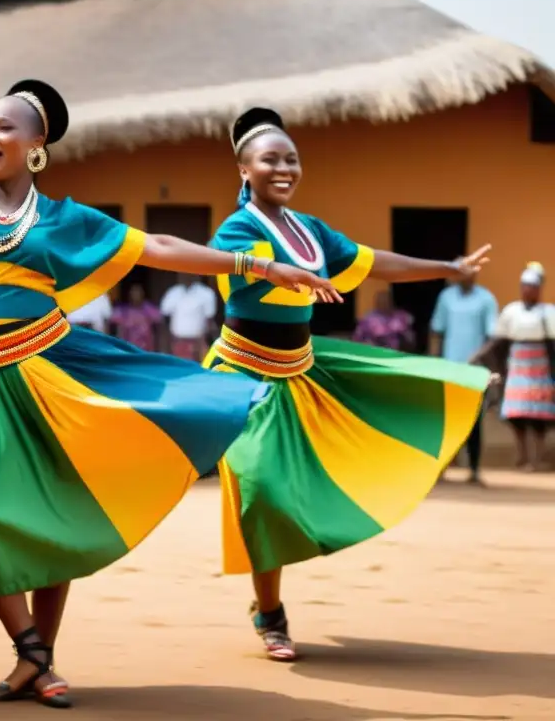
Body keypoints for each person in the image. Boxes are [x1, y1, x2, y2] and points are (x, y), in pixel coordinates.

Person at [0, 80, 341, 708]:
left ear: (37, 145)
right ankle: (33, 651)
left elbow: (159, 246)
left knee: (53, 514)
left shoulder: (64, 219)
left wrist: (259, 266)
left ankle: (35, 662)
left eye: (4, 128)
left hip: (50, 372)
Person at [203, 107, 493, 663]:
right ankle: (270, 612)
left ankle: (275, 595)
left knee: (318, 475)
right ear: (244, 171)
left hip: (302, 372)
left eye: (292, 158)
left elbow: (376, 261)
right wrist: (295, 282)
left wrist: (448, 266)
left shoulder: (310, 230)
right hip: (246, 377)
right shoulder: (237, 231)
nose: (284, 167)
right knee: (262, 491)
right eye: (271, 159)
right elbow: (246, 284)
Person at [476, 263, 555, 472]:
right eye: (525, 286)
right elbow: (499, 342)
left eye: (533, 286)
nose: (528, 290)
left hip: (540, 367)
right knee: (517, 415)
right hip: (517, 366)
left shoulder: (549, 313)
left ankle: (537, 458)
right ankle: (522, 456)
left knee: (539, 417)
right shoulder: (511, 311)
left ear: (539, 289)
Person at [431, 270, 499, 484]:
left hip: (475, 370)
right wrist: (434, 362)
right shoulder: (446, 297)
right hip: (450, 367)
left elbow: (493, 337)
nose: (463, 275)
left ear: (475, 275)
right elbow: (437, 331)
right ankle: (441, 468)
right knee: (446, 419)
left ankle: (474, 469)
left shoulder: (486, 298)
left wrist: (477, 356)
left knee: (474, 420)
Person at [159, 273, 217, 360]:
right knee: (180, 370)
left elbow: (209, 320)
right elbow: (164, 319)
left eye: (189, 273)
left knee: (198, 370)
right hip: (177, 342)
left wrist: (204, 343)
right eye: (183, 274)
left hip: (198, 343)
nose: (185, 276)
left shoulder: (206, 293)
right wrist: (165, 345)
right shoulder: (172, 293)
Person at [110, 282, 163, 352]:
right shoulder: (123, 311)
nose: (136, 295)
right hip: (128, 349)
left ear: (143, 294)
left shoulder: (149, 309)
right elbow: (118, 330)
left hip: (146, 349)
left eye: (138, 293)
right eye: (133, 293)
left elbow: (159, 325)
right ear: (129, 295)